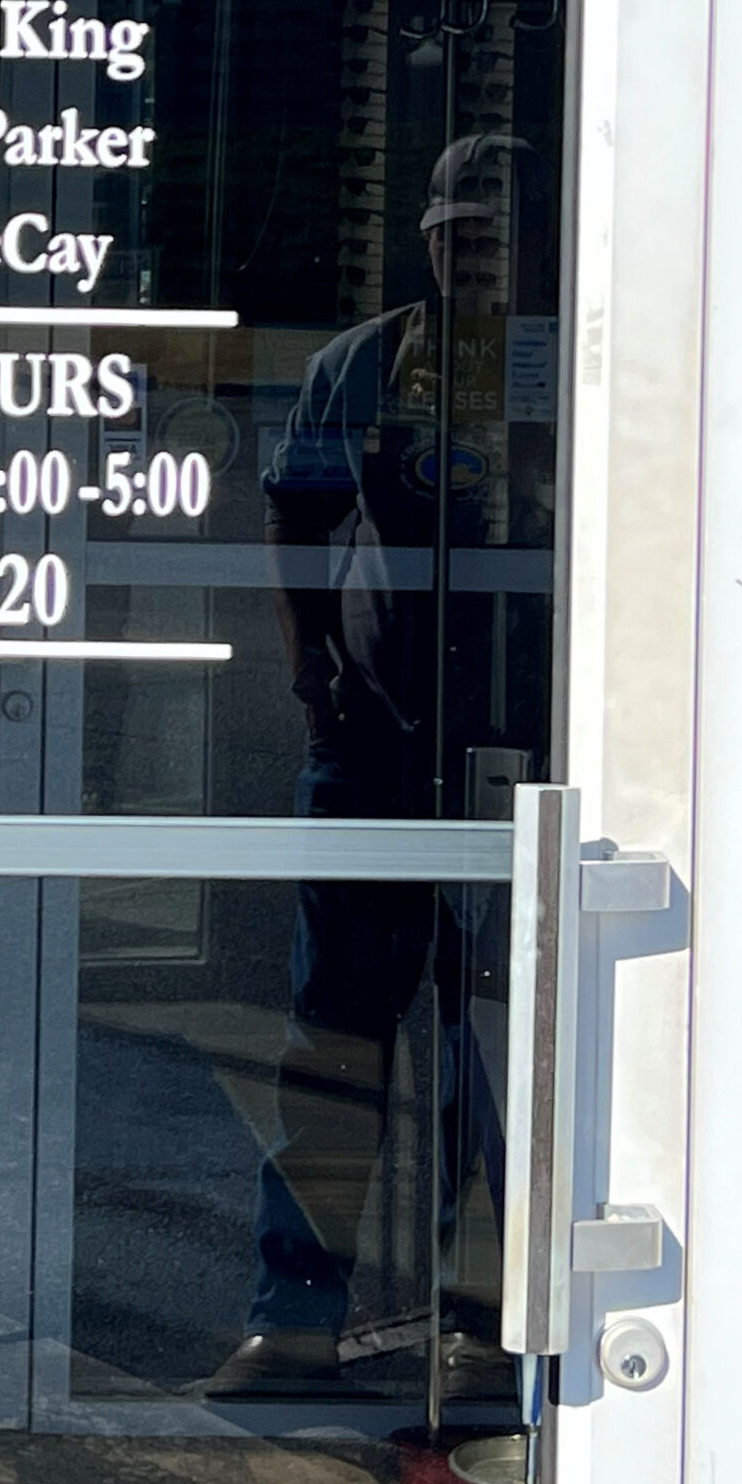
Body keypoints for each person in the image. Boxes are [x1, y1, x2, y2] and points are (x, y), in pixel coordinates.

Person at [207, 134, 526, 1398]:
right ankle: (292, 1319)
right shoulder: (364, 361)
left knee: (494, 1047)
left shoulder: (584, 360)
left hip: (521, 759)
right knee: (335, 1040)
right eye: (457, 237)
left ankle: (481, 1320)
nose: (475, 260)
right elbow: (293, 511)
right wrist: (315, 684)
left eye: (497, 238)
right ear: (428, 242)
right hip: (373, 749)